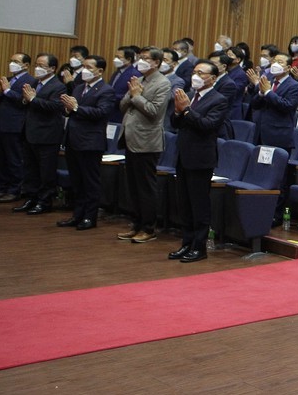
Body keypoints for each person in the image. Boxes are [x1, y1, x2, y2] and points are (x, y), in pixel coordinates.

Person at [167, 62, 230, 262]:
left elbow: (207, 125)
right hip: (183, 156)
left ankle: (199, 247)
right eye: (194, 72)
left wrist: (186, 110)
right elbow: (175, 124)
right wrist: (178, 112)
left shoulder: (218, 99)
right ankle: (186, 243)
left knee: (199, 205)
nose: (195, 76)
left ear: (212, 78)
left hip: (201, 159)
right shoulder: (189, 95)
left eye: (200, 73)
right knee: (183, 204)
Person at [115, 48, 171, 241]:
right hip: (130, 139)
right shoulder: (138, 80)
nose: (142, 61)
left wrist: (137, 96)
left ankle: (148, 228)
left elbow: (154, 111)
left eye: (146, 59)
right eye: (141, 58)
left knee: (145, 187)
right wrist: (133, 94)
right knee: (133, 186)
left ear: (157, 63)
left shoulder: (163, 83)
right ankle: (136, 223)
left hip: (147, 141)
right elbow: (122, 106)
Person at [57, 56, 116, 229]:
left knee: (90, 182)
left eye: (89, 67)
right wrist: (68, 109)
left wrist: (76, 108)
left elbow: (101, 112)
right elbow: (72, 111)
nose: (84, 70)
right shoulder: (79, 88)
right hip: (73, 140)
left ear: (100, 71)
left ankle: (90, 217)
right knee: (77, 181)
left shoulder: (106, 90)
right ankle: (77, 214)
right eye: (83, 66)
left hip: (90, 142)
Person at [13, 55, 65, 216]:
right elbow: (26, 102)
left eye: (41, 65)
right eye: (36, 64)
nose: (37, 68)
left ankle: (45, 201)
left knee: (46, 171)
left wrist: (33, 99)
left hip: (47, 135)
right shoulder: (35, 83)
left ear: (52, 68)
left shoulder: (58, 86)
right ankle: (31, 198)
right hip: (30, 133)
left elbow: (55, 107)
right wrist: (26, 100)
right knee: (31, 169)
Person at [0, 52, 34, 203]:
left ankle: (15, 190)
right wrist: (0, 92)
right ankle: (3, 189)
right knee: (0, 159)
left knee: (14, 159)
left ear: (26, 65)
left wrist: (8, 91)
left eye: (15, 61)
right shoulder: (8, 80)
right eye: (11, 60)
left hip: (15, 126)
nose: (12, 63)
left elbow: (24, 102)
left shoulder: (30, 81)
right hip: (1, 124)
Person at [249, 53, 298, 148]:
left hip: (279, 135)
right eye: (274, 61)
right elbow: (255, 105)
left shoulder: (294, 85)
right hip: (261, 132)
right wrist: (261, 93)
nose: (275, 64)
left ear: (288, 67)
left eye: (280, 62)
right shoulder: (269, 81)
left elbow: (287, 106)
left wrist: (268, 92)